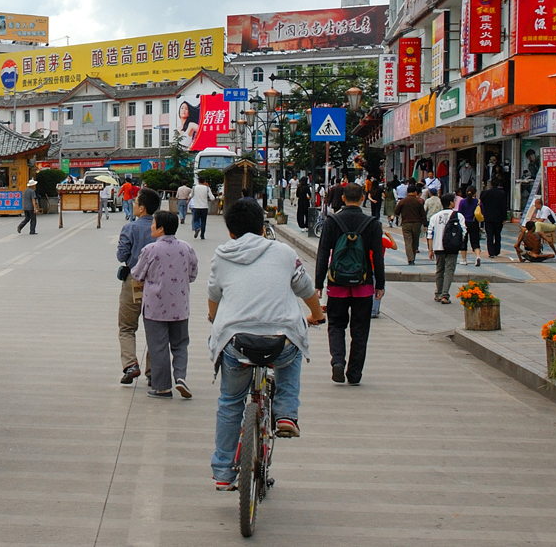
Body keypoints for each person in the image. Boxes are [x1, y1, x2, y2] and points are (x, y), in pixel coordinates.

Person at [208, 199, 325, 490]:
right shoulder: (284, 252)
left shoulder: (221, 256)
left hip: (236, 341)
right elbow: (306, 288)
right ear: (262, 227)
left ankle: (223, 471)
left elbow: (214, 297)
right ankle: (286, 414)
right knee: (292, 349)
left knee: (230, 402)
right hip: (279, 340)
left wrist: (214, 318)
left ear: (230, 230)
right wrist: (317, 314)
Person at [314, 183, 385, 385]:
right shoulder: (372, 223)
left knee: (336, 324)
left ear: (343, 199)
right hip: (363, 285)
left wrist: (319, 283)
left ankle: (337, 360)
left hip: (337, 284)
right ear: (362, 198)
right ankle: (354, 373)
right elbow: (378, 258)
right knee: (360, 329)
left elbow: (323, 254)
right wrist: (380, 284)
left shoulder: (332, 222)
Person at [133, 210, 198, 399]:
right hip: (180, 306)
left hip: (155, 307)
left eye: (154, 224)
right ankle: (180, 377)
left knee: (158, 346)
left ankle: (162, 387)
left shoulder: (150, 250)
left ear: (161, 229)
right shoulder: (186, 248)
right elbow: (193, 274)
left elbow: (137, 274)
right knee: (180, 344)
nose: (151, 227)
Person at [116, 188, 161, 384]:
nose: (133, 205)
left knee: (127, 326)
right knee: (155, 328)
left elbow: (121, 256)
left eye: (135, 202)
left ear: (142, 208)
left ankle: (131, 365)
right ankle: (153, 372)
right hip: (157, 283)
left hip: (133, 281)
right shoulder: (160, 228)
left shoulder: (130, 228)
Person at [426, 192, 461, 303]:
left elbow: (430, 234)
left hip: (437, 247)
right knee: (449, 271)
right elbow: (463, 232)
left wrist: (430, 250)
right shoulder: (458, 216)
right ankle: (445, 295)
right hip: (452, 248)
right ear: (451, 202)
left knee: (439, 270)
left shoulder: (435, 217)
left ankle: (438, 293)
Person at [394, 185, 426, 265]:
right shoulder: (418, 202)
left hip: (406, 223)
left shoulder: (403, 201)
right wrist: (425, 225)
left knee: (408, 241)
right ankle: (413, 257)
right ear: (415, 192)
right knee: (415, 241)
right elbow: (423, 214)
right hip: (416, 224)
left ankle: (410, 259)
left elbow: (396, 212)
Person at [479, 179, 509, 259]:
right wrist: (504, 218)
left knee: (489, 235)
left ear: (490, 184)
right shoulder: (502, 193)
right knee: (497, 234)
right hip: (498, 217)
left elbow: (481, 203)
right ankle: (497, 250)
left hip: (488, 217)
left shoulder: (484, 193)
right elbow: (504, 206)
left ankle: (491, 252)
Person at [456, 186, 481, 267]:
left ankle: (464, 260)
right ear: (474, 193)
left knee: (463, 241)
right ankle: (477, 256)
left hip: (464, 223)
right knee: (475, 241)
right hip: (474, 223)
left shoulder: (462, 202)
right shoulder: (477, 202)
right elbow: (481, 212)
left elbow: (460, 213)